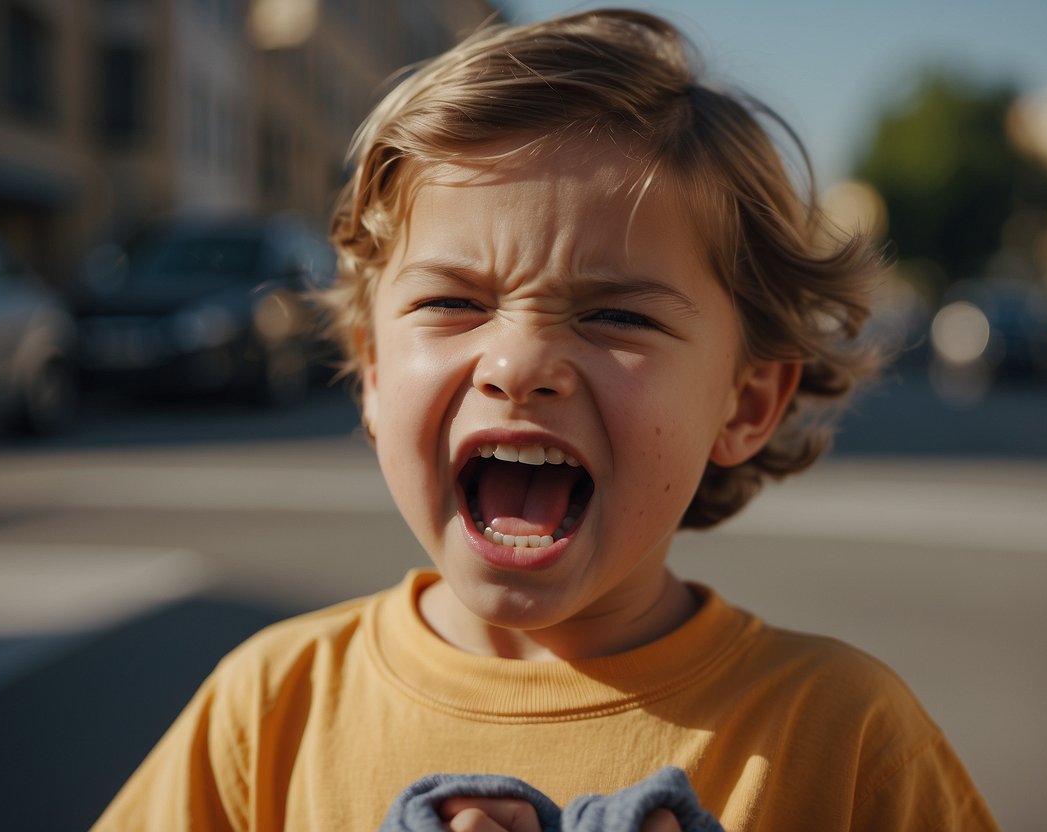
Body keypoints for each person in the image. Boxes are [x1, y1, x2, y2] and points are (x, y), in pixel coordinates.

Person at [94, 9, 998, 831]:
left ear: (747, 400)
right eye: (453, 302)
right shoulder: (268, 711)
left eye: (617, 315)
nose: (519, 366)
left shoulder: (840, 742)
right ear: (372, 371)